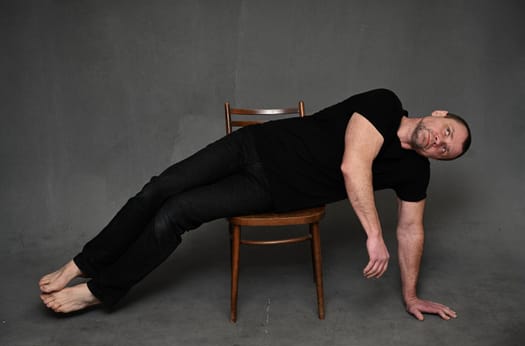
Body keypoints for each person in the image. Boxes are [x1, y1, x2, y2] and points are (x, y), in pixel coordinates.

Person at [39, 88, 471, 321]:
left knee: (176, 214)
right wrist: (374, 236)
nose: (440, 142)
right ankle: (83, 263)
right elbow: (352, 165)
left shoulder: (415, 172)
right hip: (251, 145)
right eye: (446, 132)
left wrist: (412, 295)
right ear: (438, 113)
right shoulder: (384, 103)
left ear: (438, 160)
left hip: (272, 191)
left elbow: (411, 230)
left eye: (446, 150)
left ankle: (99, 291)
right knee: (158, 189)